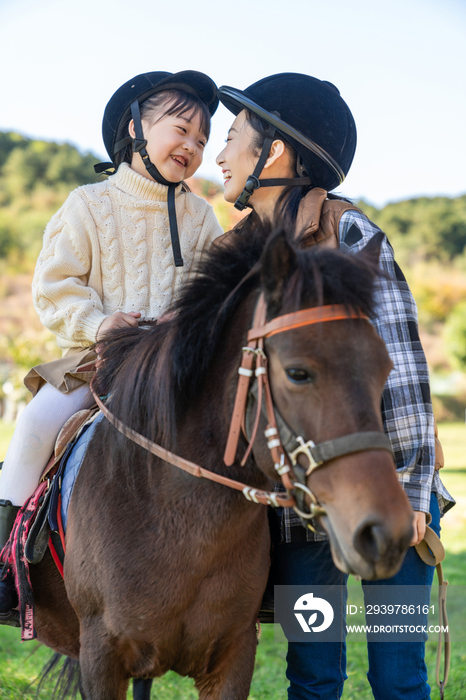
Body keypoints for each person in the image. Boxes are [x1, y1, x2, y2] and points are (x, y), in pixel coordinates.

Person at [214, 73, 455, 700]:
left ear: (275, 152)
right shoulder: (231, 255)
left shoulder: (351, 235)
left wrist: (412, 493)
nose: (220, 154)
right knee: (313, 677)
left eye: (235, 135)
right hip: (296, 517)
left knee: (399, 679)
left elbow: (401, 368)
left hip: (388, 502)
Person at [0, 70, 223, 622]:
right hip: (95, 365)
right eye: (182, 129)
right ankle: (6, 564)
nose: (192, 147)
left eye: (203, 139)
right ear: (135, 127)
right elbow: (54, 286)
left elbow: (215, 294)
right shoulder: (88, 204)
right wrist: (101, 324)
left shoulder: (201, 217)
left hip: (174, 369)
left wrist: (187, 320)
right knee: (33, 427)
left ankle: (250, 574)